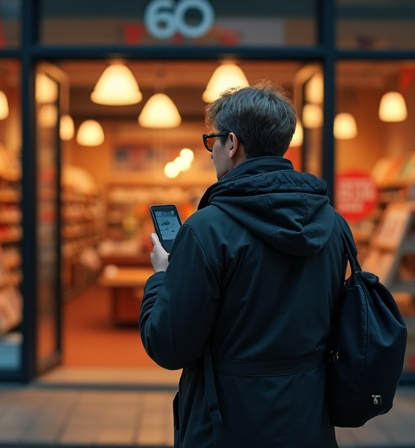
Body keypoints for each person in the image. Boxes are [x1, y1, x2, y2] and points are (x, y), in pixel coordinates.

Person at [139, 80, 347, 448]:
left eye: (212, 141)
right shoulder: (331, 222)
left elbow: (169, 346)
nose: (211, 152)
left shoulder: (207, 228)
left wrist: (161, 277)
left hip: (227, 421)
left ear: (232, 143)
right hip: (309, 416)